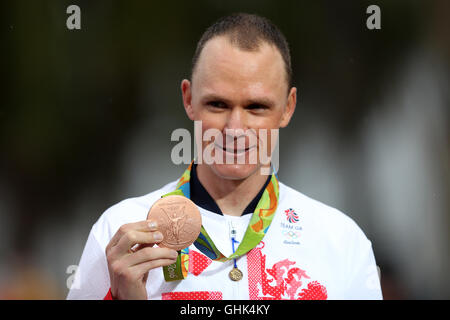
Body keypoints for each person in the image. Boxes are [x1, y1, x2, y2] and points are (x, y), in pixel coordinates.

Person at [67, 13, 382, 300]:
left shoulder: (341, 242)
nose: (235, 128)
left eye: (256, 107)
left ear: (288, 107)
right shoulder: (121, 233)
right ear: (189, 99)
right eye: (218, 104)